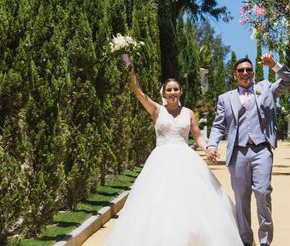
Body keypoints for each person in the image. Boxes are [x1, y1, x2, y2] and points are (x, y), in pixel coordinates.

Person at [104, 54, 242, 246]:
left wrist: (209, 149)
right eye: (169, 89)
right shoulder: (156, 110)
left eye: (176, 89)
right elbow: (138, 93)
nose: (173, 92)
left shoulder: (189, 113)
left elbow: (198, 136)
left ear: (181, 91)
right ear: (164, 92)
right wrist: (131, 71)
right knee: (158, 202)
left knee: (192, 202)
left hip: (186, 160)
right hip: (160, 161)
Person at [205, 54, 290, 246]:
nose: (245, 73)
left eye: (248, 70)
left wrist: (275, 66)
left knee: (263, 192)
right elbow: (218, 126)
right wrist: (211, 144)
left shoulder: (266, 89)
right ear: (235, 74)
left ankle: (264, 241)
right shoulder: (225, 98)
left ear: (253, 73)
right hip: (237, 153)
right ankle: (246, 240)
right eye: (241, 70)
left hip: (261, 150)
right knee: (242, 198)